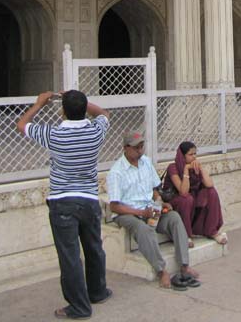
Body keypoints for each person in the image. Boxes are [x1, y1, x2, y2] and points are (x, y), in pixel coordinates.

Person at [16, 90, 112, 319]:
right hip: (88, 200)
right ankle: (97, 291)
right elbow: (105, 114)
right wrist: (83, 103)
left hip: (63, 202)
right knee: (94, 248)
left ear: (63, 111)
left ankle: (79, 306)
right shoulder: (95, 132)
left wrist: (39, 103)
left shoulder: (54, 135)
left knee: (70, 256)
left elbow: (22, 125)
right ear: (84, 108)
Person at [107, 131, 199, 291]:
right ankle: (161, 270)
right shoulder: (116, 172)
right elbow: (114, 206)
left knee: (174, 218)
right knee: (143, 229)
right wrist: (141, 213)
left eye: (141, 146)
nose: (140, 150)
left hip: (149, 208)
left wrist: (160, 202)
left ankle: (184, 265)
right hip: (127, 212)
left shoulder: (146, 163)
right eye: (136, 147)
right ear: (125, 148)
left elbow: (155, 189)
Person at [165, 141, 227, 247]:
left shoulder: (195, 167)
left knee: (211, 192)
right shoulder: (173, 168)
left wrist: (201, 168)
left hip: (192, 199)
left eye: (195, 154)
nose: (194, 157)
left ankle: (211, 231)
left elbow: (209, 184)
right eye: (190, 154)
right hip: (177, 200)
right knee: (187, 198)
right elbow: (183, 191)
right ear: (182, 156)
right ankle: (185, 235)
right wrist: (185, 170)